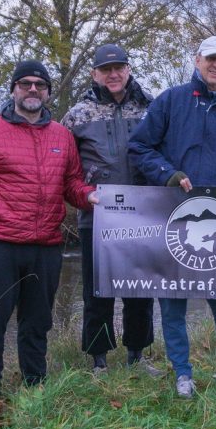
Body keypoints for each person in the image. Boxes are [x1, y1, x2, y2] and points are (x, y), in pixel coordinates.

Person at [0, 60, 98, 402]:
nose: (33, 89)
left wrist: (91, 197)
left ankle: (35, 383)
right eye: (26, 83)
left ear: (48, 92)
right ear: (14, 88)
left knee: (37, 323)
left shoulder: (62, 136)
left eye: (40, 85)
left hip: (45, 247)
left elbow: (72, 184)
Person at [128, 35, 216, 397]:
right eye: (210, 58)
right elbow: (139, 146)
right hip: (174, 215)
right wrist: (166, 172)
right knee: (173, 300)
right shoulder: (171, 100)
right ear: (197, 60)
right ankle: (183, 372)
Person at [61, 44, 161, 377]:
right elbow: (66, 169)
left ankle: (137, 354)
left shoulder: (152, 108)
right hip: (97, 216)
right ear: (94, 74)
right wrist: (84, 195)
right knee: (97, 291)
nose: (113, 74)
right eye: (106, 69)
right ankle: (99, 359)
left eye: (118, 67)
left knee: (141, 289)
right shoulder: (77, 115)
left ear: (128, 69)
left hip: (144, 214)